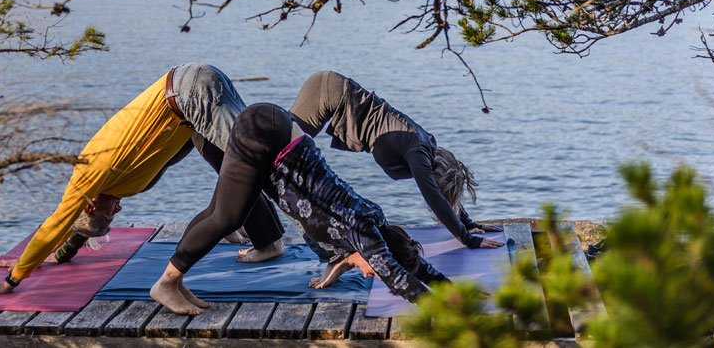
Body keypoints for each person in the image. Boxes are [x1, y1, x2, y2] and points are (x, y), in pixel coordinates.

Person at [0, 63, 285, 295]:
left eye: (108, 218)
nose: (117, 213)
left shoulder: (90, 176)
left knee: (265, 163)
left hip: (190, 94)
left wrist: (15, 278)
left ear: (90, 205)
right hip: (190, 105)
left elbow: (56, 225)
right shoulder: (100, 193)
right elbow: (76, 227)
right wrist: (58, 255)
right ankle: (267, 240)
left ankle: (331, 242)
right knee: (239, 166)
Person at [150, 103, 473, 316]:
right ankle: (165, 282)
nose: (368, 271)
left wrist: (455, 289)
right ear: (380, 253)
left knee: (220, 211)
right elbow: (399, 279)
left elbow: (415, 266)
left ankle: (175, 282)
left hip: (275, 131)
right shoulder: (367, 235)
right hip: (266, 136)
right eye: (372, 268)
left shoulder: (372, 221)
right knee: (228, 217)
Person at [290, 71, 503, 252]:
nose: (434, 186)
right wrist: (467, 239)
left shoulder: (426, 148)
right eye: (439, 184)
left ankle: (270, 241)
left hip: (332, 92)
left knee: (280, 160)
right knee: (281, 157)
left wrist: (469, 223)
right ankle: (293, 245)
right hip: (327, 92)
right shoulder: (419, 152)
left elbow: (441, 195)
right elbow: (434, 196)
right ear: (437, 173)